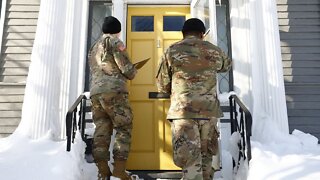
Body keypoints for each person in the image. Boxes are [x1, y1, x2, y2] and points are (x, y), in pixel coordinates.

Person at [156, 18, 231, 180]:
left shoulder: (171, 51)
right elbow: (226, 66)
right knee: (206, 158)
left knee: (190, 161)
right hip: (209, 112)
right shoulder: (214, 50)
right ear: (202, 34)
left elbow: (162, 84)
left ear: (183, 34)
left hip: (183, 113)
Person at [88, 16, 137, 180]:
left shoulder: (94, 47)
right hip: (114, 91)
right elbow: (127, 70)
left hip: (96, 93)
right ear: (118, 30)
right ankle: (119, 172)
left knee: (101, 131)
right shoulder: (115, 42)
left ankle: (103, 172)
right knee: (124, 128)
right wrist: (133, 71)